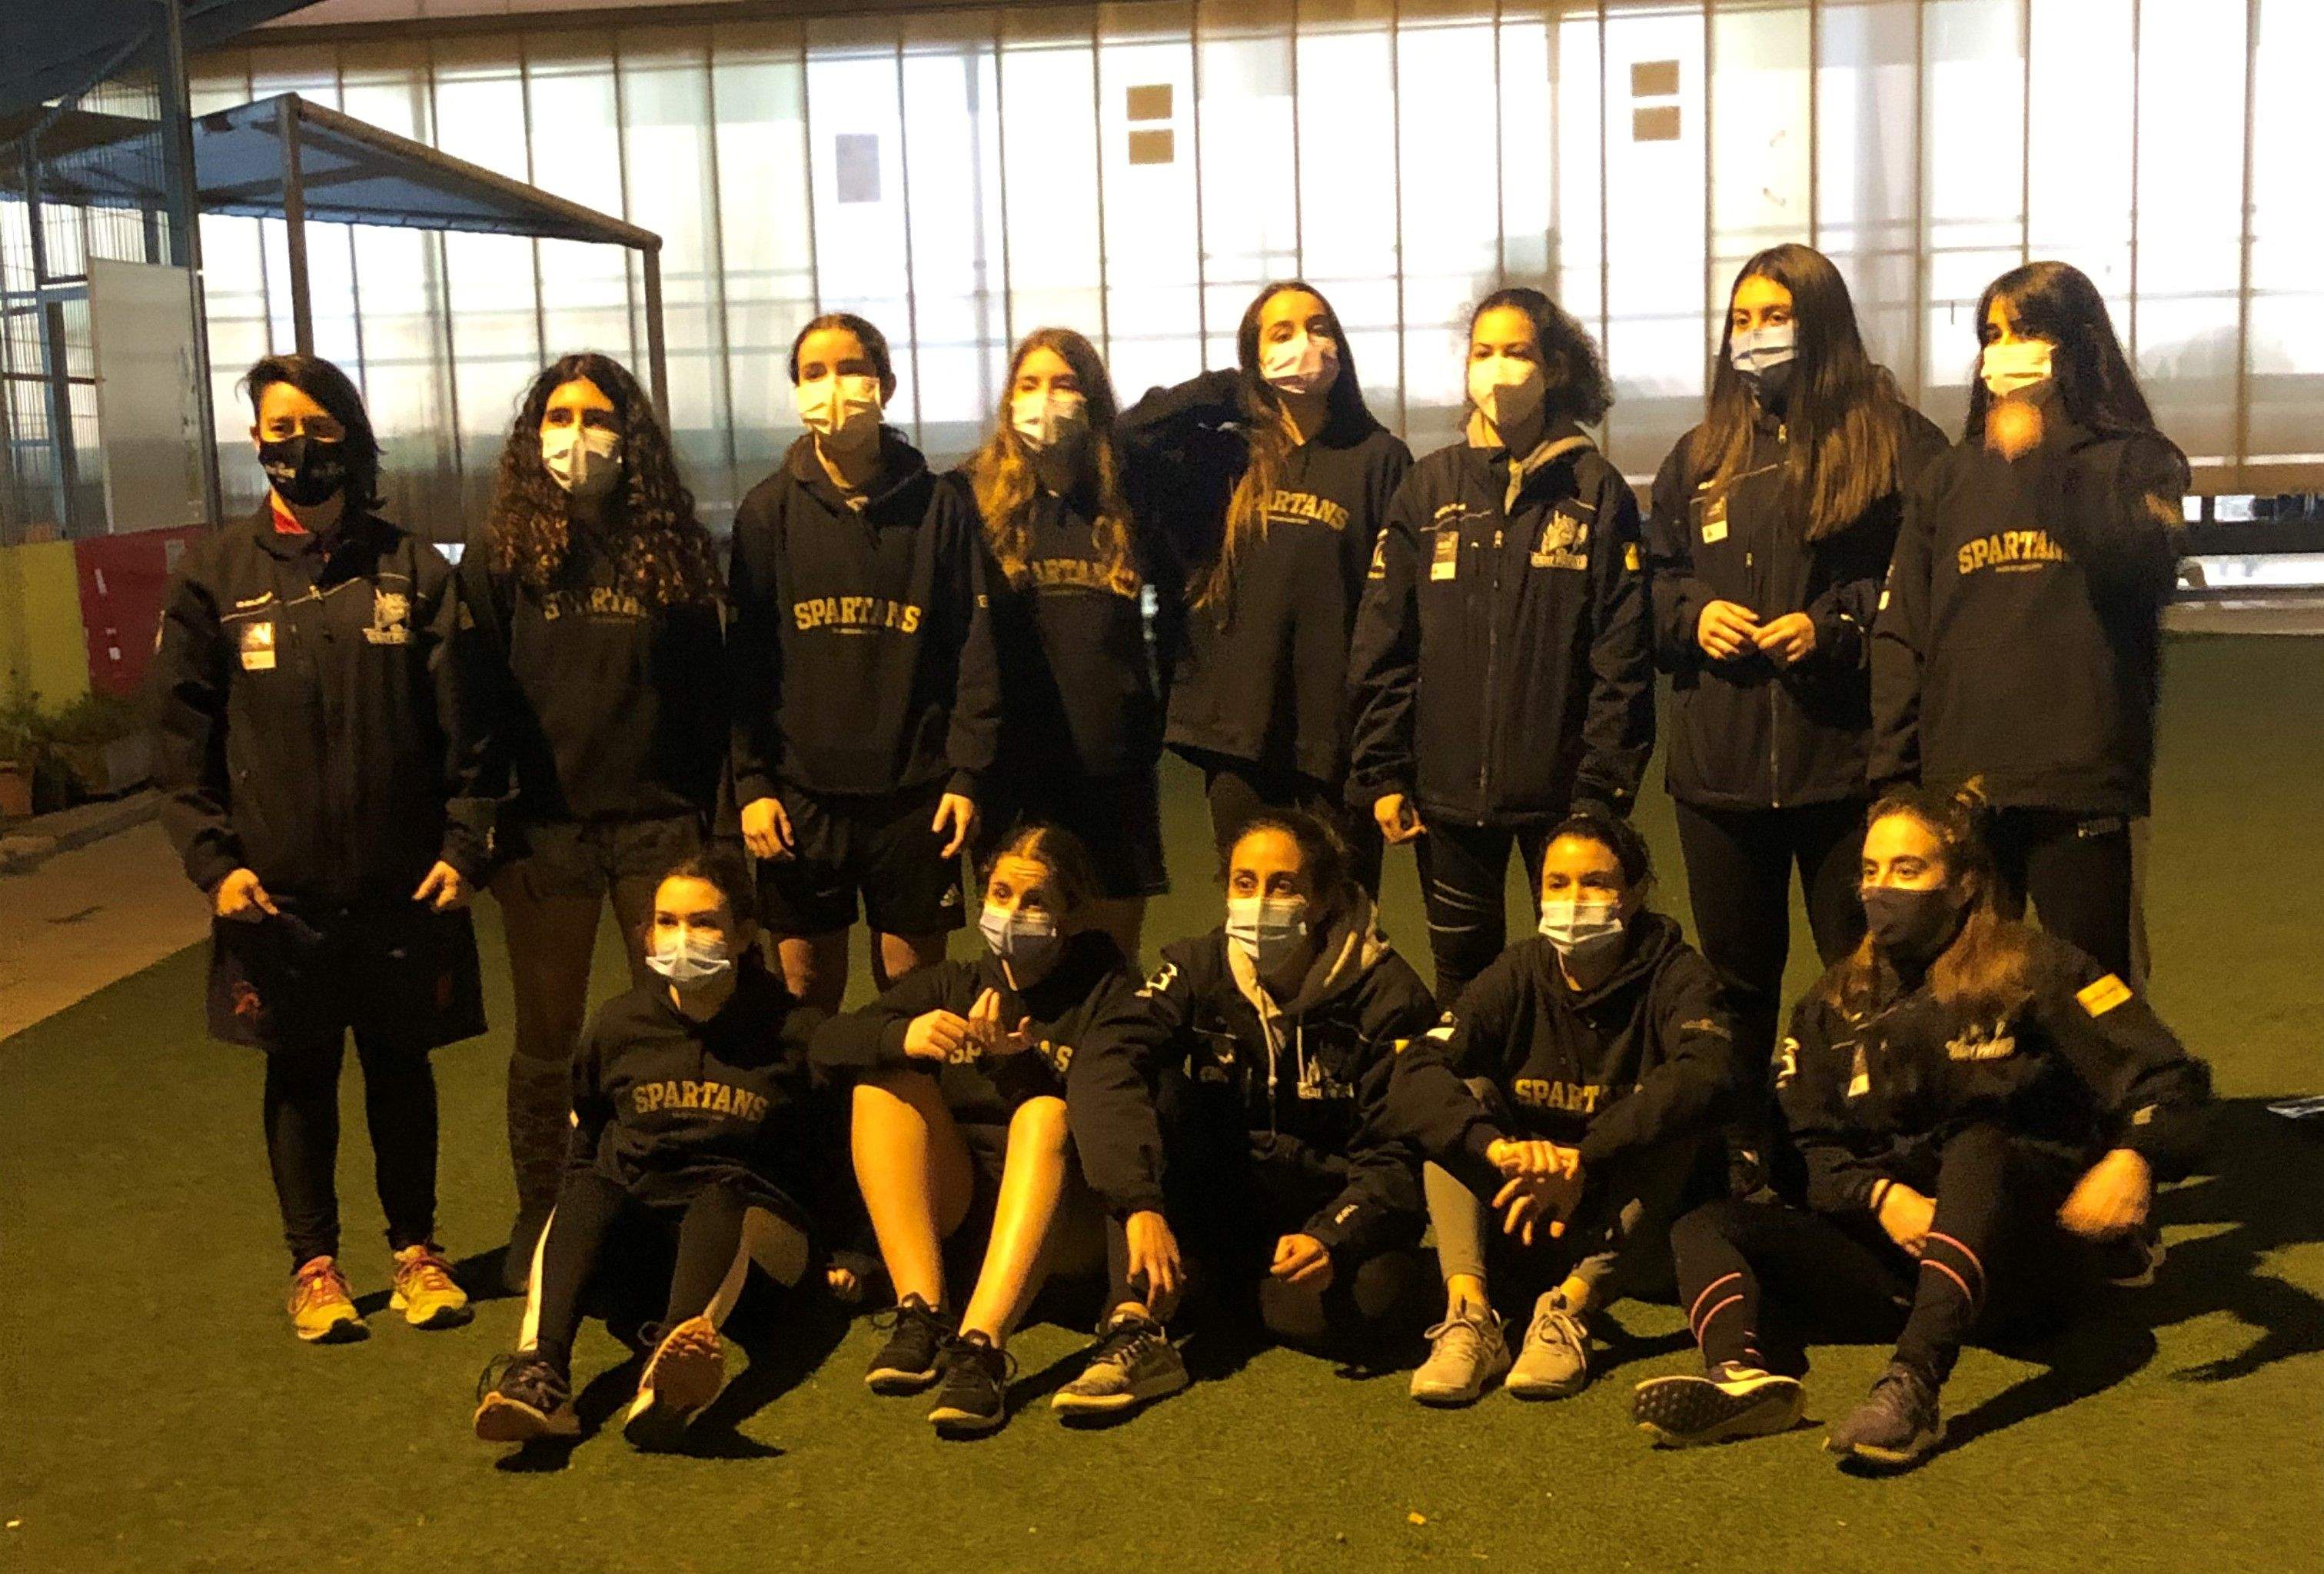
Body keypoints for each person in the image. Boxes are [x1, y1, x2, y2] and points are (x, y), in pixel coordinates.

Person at [1631, 784, 2209, 1466]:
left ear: (1963, 884)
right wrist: (1879, 1197)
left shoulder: (2037, 969)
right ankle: (1741, 1380)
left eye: (1908, 870)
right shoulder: (1834, 1002)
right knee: (1705, 1225)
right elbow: (1806, 1145)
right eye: (1872, 871)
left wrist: (2133, 1159)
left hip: (2024, 1262)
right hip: (1901, 1253)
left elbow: (2170, 1077)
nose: (1881, 888)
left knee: (1976, 1141)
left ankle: (1913, 1387)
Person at [151, 353, 487, 1343]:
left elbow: (471, 731)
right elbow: (179, 743)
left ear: (349, 432)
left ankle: (418, 1253)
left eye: (317, 425)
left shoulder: (413, 569)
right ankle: (316, 1267)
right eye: (277, 426)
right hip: (274, 896)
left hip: (403, 889)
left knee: (401, 1070)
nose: (298, 444)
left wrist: (466, 846)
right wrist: (216, 863)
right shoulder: (213, 577)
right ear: (253, 440)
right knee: (298, 1078)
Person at [1645, 245, 1950, 1196]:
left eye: (1772, 315)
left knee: (1861, 975)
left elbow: (1922, 585)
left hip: (1843, 768)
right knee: (1734, 987)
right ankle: (1748, 1160)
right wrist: (1690, 614)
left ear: (1820, 324)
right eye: (1739, 318)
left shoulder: (1899, 443)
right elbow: (1646, 588)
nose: (1752, 335)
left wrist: (1836, 626)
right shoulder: (1697, 457)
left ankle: (1881, 1152)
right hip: (1717, 776)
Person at [461, 351, 728, 1289]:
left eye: (598, 415)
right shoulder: (503, 558)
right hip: (549, 835)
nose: (578, 435)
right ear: (535, 436)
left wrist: (713, 829)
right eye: (560, 416)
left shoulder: (675, 549)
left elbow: (709, 699)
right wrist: (488, 828)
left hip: (659, 830)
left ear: (632, 435)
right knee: (547, 1036)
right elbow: (475, 698)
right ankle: (543, 1209)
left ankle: (660, 1200)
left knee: (665, 1020)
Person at [1053, 810, 1438, 1419]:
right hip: (1221, 1194)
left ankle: (1205, 1291)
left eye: (1282, 885)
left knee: (1373, 1303)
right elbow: (1106, 1059)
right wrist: (1140, 1203)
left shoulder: (1389, 995)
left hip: (1321, 1212)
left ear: (1323, 900)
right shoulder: (1197, 967)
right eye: (1243, 882)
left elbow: (1397, 1153)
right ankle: (1135, 1326)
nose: (1258, 902)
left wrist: (1333, 1236)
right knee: (1146, 1088)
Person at [1870, 260, 2187, 980]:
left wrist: (2041, 455)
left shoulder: (2137, 462)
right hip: (1963, 788)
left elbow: (2132, 567)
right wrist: (1894, 781)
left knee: (2093, 996)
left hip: (2077, 779)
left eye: (2026, 329)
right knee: (1963, 992)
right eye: (1991, 333)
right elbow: (1903, 632)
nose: (2004, 348)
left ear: (2075, 343)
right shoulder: (1946, 478)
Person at [1348, 288, 1655, 1008]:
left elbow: (1622, 656)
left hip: (1564, 798)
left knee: (1579, 971)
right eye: (1482, 352)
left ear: (1553, 367)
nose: (1497, 370)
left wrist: (1601, 793)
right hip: (1446, 800)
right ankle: (1476, 1111)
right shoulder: (1429, 489)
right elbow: (1384, 639)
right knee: (1464, 976)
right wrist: (1384, 770)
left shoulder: (1596, 490)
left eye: (1516, 352)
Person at [472, 854, 828, 1451]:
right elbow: (586, 1141)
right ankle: (541, 1374)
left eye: (704, 922)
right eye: (666, 921)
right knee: (585, 1186)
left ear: (743, 934)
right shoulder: (617, 1024)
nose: (681, 938)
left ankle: (669, 1374)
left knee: (723, 1193)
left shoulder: (793, 1030)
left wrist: (853, 1256)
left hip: (758, 1248)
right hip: (650, 1245)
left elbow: (829, 1154)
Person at [810, 824, 1149, 1436]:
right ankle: (922, 1310)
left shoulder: (1108, 993)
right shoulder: (956, 983)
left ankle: (982, 1345)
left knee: (1043, 1113)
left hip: (1066, 1222)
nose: (1010, 914)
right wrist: (900, 1037)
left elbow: (1110, 1112)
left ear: (1070, 912)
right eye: (999, 894)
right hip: (972, 1212)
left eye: (1033, 900)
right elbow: (826, 1043)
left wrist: (1018, 1065)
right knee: (882, 1082)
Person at [1385, 810, 1733, 1406]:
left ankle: (1570, 1307)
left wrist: (1583, 1157)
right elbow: (1416, 1068)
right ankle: (1469, 1313)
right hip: (1524, 1202)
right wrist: (1498, 1149)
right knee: (1458, 1103)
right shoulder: (1519, 969)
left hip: (1629, 1221)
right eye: (1557, 883)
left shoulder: (1677, 973)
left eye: (1595, 882)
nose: (1574, 899)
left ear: (1635, 891)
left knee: (1680, 1115)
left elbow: (1708, 1073)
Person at [729, 312, 1000, 1012]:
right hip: (800, 798)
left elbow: (972, 645)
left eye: (851, 369)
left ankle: (906, 1120)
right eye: (814, 373)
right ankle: (819, 1125)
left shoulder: (943, 506)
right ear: (795, 389)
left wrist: (966, 773)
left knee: (913, 998)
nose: (834, 387)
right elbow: (747, 662)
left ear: (885, 383)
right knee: (803, 995)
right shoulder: (766, 512)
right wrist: (753, 782)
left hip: (915, 795)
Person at [1120, 281, 1411, 890]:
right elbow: (1127, 438)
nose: (1305, 343)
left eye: (1318, 327)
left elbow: (1393, 611)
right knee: (1256, 916)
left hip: (1336, 737)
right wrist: (1231, 386)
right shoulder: (1220, 458)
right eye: (1280, 333)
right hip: (1237, 730)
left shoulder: (1378, 456)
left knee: (1342, 914)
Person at [966, 328, 1178, 960]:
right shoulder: (973, 500)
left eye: (1064, 384)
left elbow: (1173, 615)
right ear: (1007, 402)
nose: (1044, 400)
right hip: (1015, 766)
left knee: (1110, 953)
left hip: (1112, 760)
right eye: (1028, 385)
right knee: (1020, 953)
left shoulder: (1129, 497)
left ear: (1092, 399)